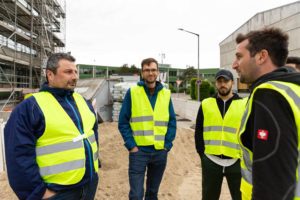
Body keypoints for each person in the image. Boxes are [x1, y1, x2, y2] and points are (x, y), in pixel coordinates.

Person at [4, 53, 99, 200]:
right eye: (68, 72)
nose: (74, 77)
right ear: (50, 74)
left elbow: (92, 134)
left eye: (75, 71)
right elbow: (18, 157)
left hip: (88, 184)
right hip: (57, 192)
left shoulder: (83, 101)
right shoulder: (30, 107)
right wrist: (38, 193)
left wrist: (96, 165)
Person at [232, 27, 300, 199]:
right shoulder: (293, 89)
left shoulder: (270, 94)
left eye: (239, 57)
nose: (234, 64)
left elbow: (273, 184)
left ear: (262, 56)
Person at [118, 57, 176, 200]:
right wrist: (131, 146)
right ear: (142, 73)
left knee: (152, 194)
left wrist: (166, 146)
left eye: (153, 70)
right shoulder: (133, 93)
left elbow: (172, 122)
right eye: (147, 70)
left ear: (158, 72)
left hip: (159, 152)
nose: (150, 73)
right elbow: (122, 122)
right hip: (139, 152)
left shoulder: (166, 94)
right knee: (136, 195)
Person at [194, 69, 246, 200]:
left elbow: (249, 131)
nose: (223, 84)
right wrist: (202, 154)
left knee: (240, 197)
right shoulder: (206, 104)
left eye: (226, 81)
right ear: (216, 84)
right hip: (211, 160)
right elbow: (198, 130)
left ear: (232, 83)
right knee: (209, 197)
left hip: (236, 161)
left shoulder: (244, 104)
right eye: (219, 81)